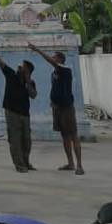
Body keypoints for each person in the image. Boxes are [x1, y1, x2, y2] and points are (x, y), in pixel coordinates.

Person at [28, 42, 83, 175]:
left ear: (59, 60)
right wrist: (53, 101)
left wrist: (37, 49)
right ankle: (70, 163)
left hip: (67, 107)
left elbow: (49, 61)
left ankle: (79, 165)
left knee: (73, 135)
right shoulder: (54, 73)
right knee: (64, 135)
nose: (52, 59)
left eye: (54, 58)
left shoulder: (65, 70)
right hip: (57, 107)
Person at [0, 40, 36, 172]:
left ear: (27, 71)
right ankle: (19, 165)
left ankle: (26, 162)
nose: (19, 67)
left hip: (25, 114)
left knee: (26, 141)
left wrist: (28, 81)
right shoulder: (11, 75)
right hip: (12, 112)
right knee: (15, 139)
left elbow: (33, 95)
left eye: (22, 66)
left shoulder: (30, 82)